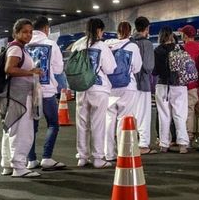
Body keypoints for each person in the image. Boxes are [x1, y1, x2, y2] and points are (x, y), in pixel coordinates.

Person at [0, 18, 44, 178]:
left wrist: (31, 70)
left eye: (30, 32)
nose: (28, 35)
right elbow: (9, 69)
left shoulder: (18, 48)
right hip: (19, 96)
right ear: (16, 32)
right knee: (22, 131)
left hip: (15, 95)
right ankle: (19, 166)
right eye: (24, 32)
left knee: (10, 129)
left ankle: (7, 165)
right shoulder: (16, 49)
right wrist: (32, 72)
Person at [71, 18, 116, 168]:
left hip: (81, 88)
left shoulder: (78, 44)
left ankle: (82, 157)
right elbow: (110, 69)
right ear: (99, 30)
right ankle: (98, 158)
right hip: (98, 88)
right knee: (98, 123)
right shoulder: (102, 46)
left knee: (82, 123)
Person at [26, 16, 67, 170]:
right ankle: (47, 157)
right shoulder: (51, 44)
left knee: (31, 127)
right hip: (47, 91)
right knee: (53, 124)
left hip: (28, 90)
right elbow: (58, 69)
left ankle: (31, 160)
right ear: (46, 28)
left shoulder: (25, 44)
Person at [104, 21, 143, 161]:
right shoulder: (132, 46)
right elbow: (137, 67)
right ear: (130, 31)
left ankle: (108, 153)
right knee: (123, 119)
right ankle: (123, 152)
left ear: (117, 31)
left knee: (109, 120)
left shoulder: (108, 45)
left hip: (109, 87)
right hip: (128, 87)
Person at [153, 27, 190, 153]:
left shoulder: (157, 50)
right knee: (179, 115)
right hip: (179, 85)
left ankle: (164, 144)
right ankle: (183, 144)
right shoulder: (180, 48)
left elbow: (154, 71)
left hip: (162, 85)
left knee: (164, 116)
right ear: (172, 36)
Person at [178, 25, 199, 146]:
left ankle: (188, 138)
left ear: (185, 35)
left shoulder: (183, 48)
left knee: (189, 112)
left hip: (189, 86)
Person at [132, 17, 155, 154]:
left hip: (130, 84)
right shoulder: (147, 44)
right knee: (144, 115)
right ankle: (143, 144)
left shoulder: (130, 42)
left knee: (132, 114)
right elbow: (148, 66)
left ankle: (130, 141)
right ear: (147, 28)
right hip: (143, 83)